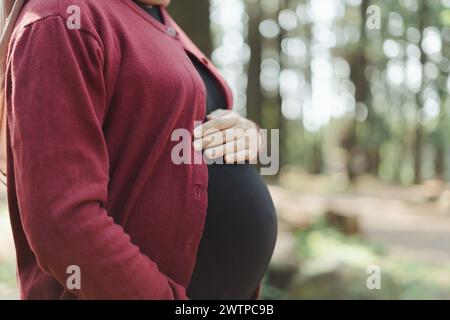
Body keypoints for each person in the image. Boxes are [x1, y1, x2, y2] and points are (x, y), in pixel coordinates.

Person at [0, 0, 277, 299]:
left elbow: (177, 125)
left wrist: (249, 134)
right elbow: (61, 220)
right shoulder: (61, 16)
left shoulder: (158, 17)